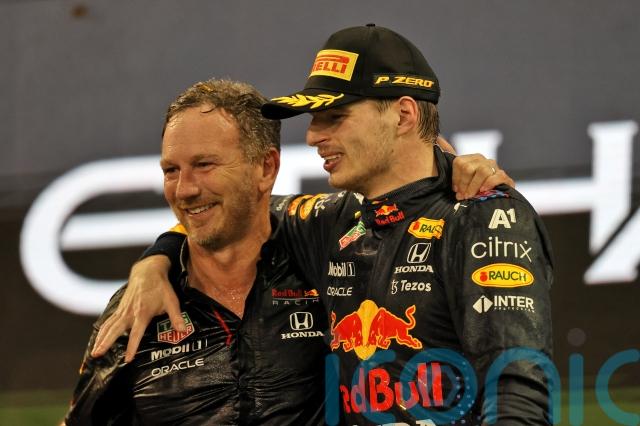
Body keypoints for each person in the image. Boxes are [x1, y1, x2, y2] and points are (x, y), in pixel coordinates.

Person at [88, 26, 535, 425]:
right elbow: (232, 210)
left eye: (334, 117)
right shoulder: (327, 223)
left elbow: (518, 392)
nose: (313, 136)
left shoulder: (484, 216)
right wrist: (159, 257)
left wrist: (455, 168)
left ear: (403, 115)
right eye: (314, 118)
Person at [64, 80, 330, 425]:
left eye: (204, 165)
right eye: (171, 171)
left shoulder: (328, 268)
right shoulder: (135, 310)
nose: (184, 190)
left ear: (266, 168)